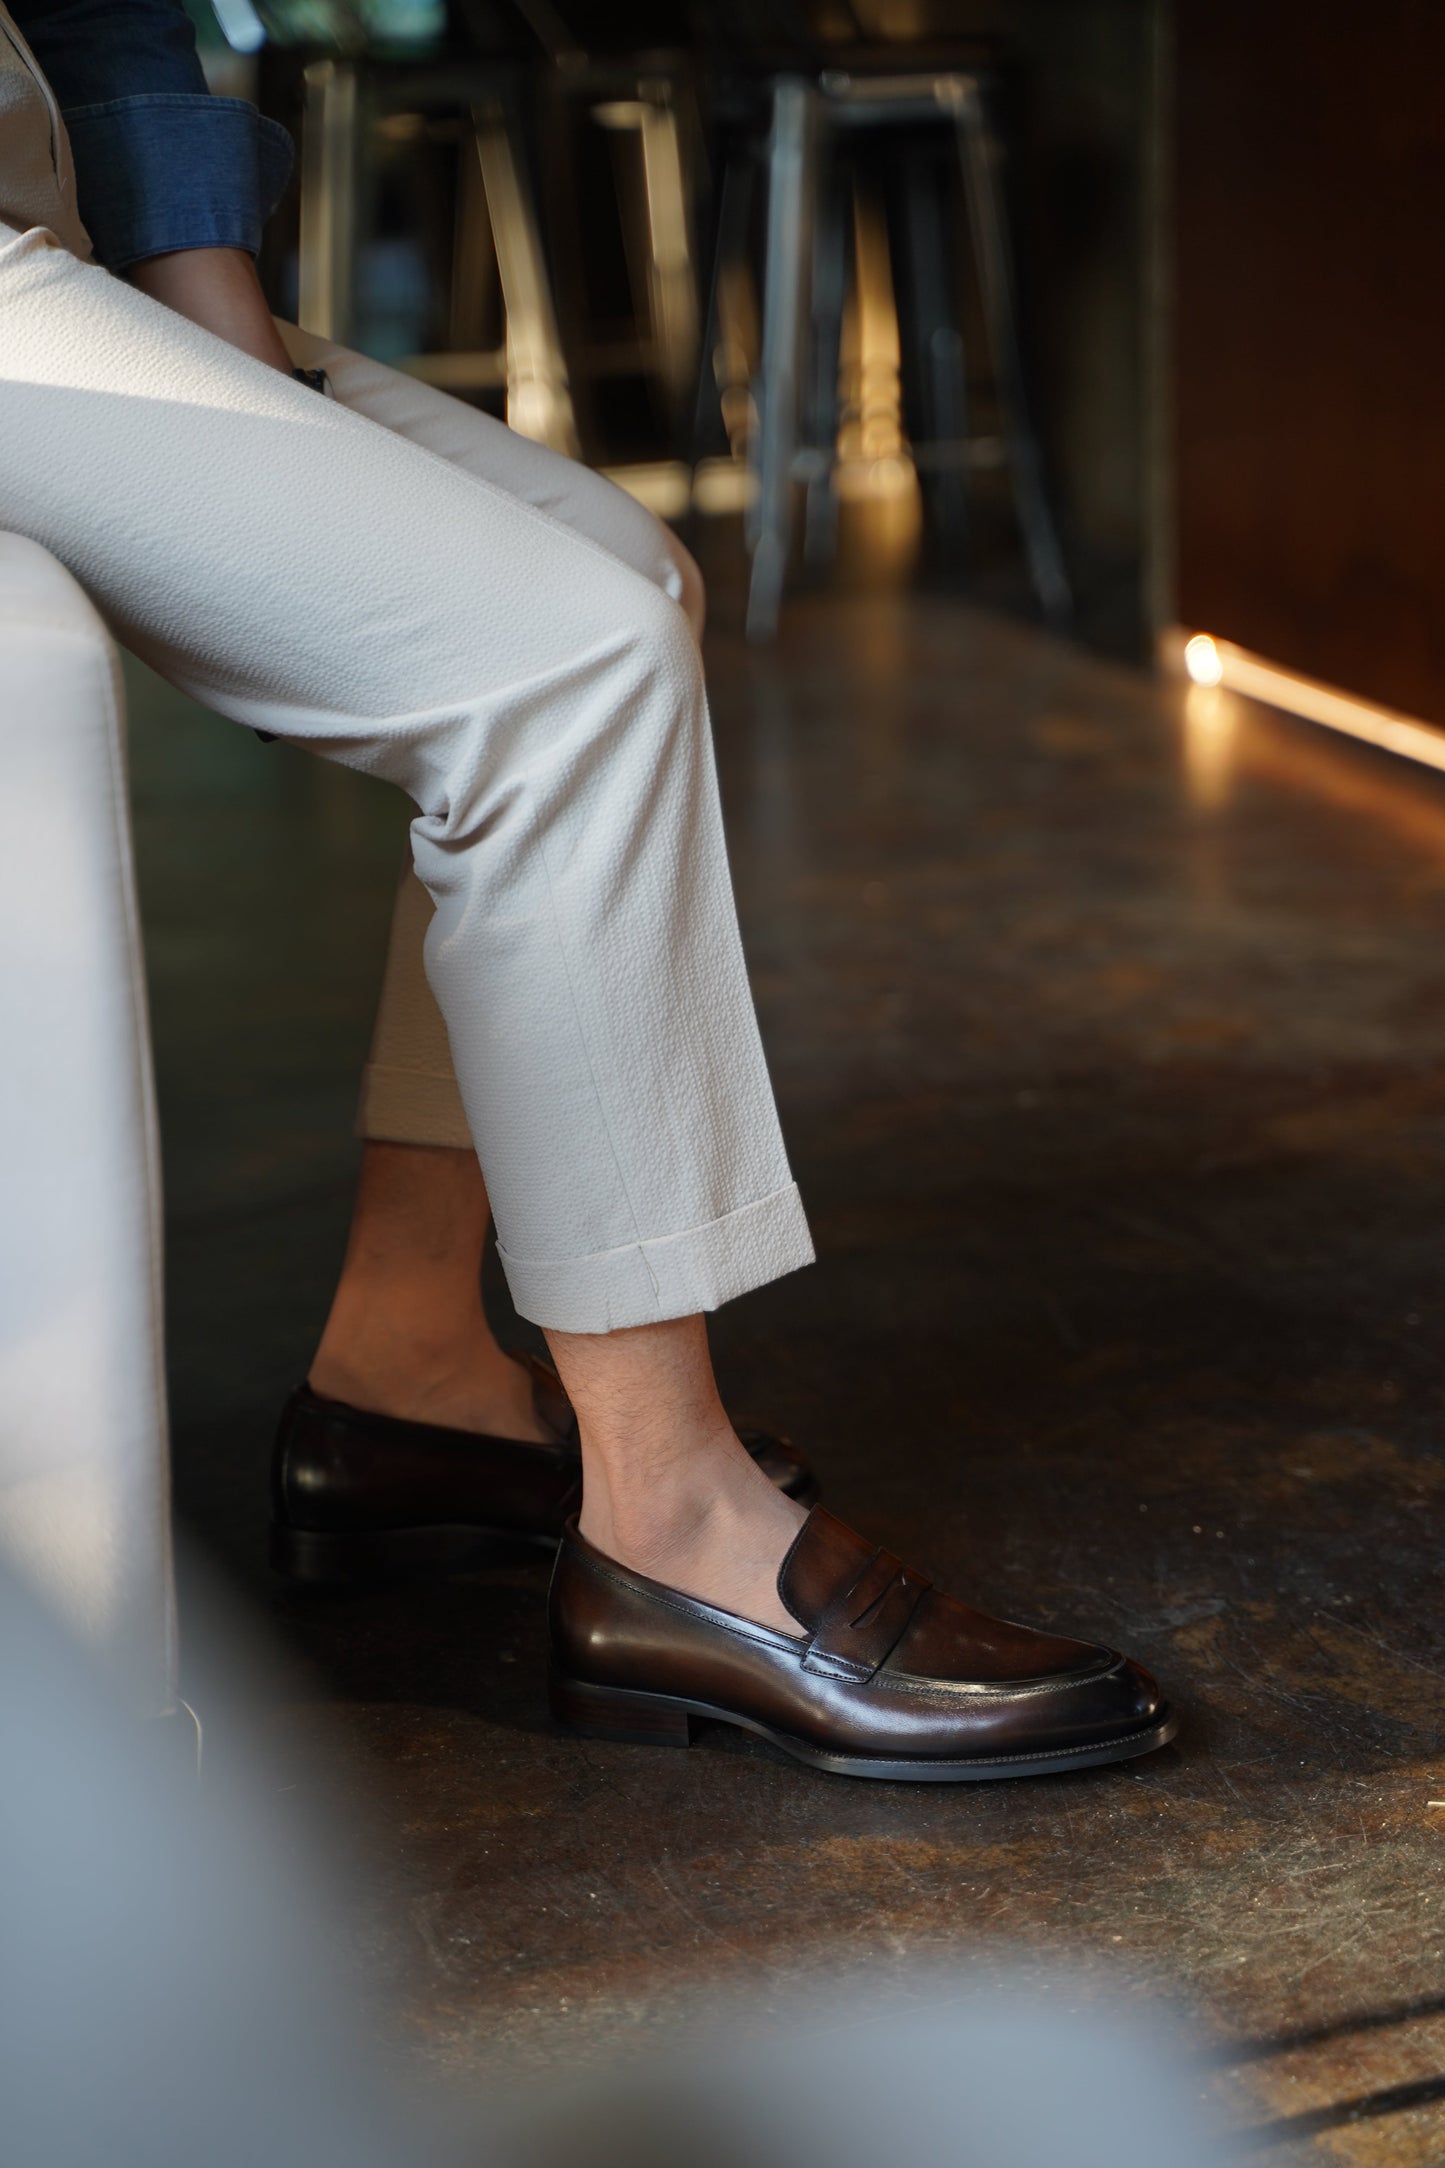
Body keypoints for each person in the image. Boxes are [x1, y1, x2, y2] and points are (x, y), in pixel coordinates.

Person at [0, 0, 1174, 1779]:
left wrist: (201, 269)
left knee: (617, 573)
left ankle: (400, 1373)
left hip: (47, 234)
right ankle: (674, 1524)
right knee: (565, 666)